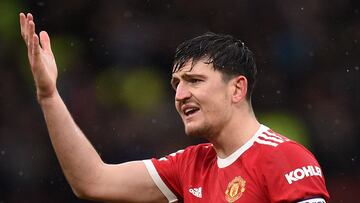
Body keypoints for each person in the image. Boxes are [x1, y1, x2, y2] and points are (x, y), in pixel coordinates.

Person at [20, 12, 329, 203]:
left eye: (194, 81)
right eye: (176, 84)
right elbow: (92, 181)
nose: (180, 94)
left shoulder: (284, 158)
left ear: (237, 88)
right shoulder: (189, 166)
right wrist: (49, 96)